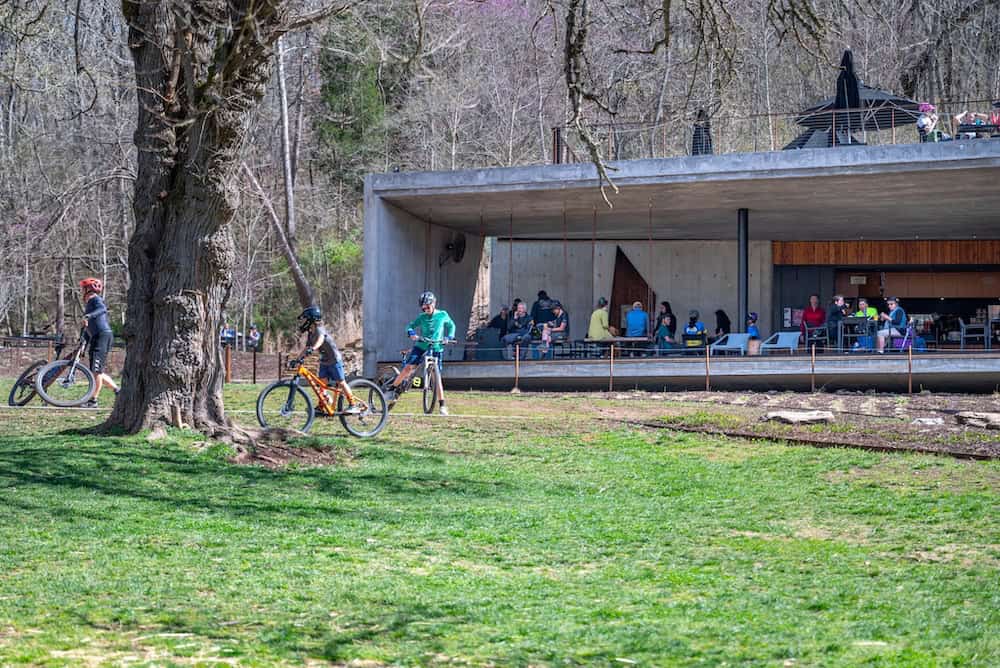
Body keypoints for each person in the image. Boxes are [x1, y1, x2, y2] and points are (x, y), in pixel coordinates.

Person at [385, 291, 456, 414]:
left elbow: (451, 326)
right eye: (423, 307)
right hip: (421, 346)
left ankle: (442, 405)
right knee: (408, 368)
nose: (425, 309)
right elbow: (410, 326)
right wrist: (411, 333)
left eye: (427, 306)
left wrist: (449, 337)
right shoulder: (422, 317)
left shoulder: (443, 315)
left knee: (436, 377)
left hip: (436, 347)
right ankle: (392, 389)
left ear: (433, 303)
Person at [294, 306, 361, 414]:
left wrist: (314, 348)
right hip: (324, 361)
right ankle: (322, 406)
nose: (304, 322)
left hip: (335, 360)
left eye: (305, 319)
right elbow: (306, 347)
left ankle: (353, 404)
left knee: (341, 382)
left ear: (311, 319)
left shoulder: (320, 330)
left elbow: (321, 340)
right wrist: (297, 359)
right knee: (322, 384)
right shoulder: (311, 334)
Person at [79, 277, 120, 407]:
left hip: (102, 335)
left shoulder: (95, 299)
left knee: (96, 371)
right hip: (97, 337)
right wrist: (82, 345)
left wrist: (88, 316)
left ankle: (93, 401)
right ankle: (118, 391)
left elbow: (102, 309)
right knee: (97, 370)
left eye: (83, 289)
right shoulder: (89, 305)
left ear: (88, 290)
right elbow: (87, 329)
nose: (81, 291)